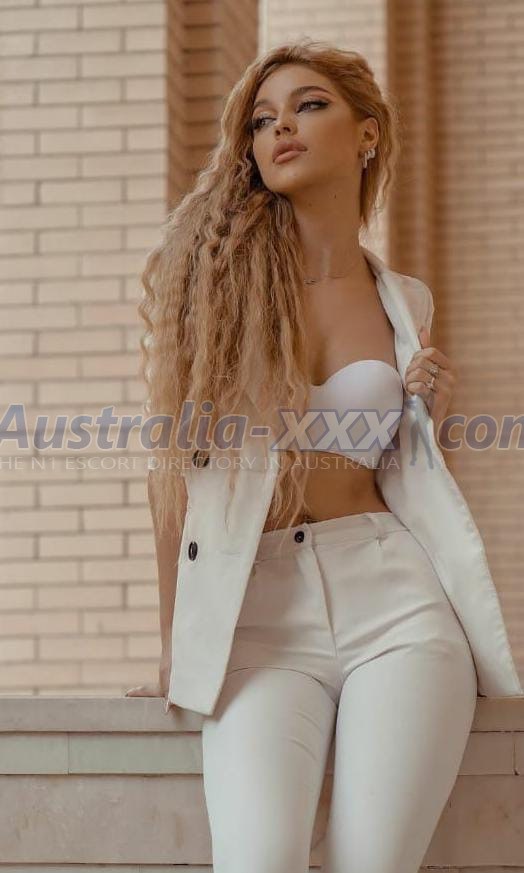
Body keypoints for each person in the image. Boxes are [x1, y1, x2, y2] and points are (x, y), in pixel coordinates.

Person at [126, 38, 522, 873]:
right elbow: (175, 479)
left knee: (373, 863)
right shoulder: (213, 291)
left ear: (366, 133)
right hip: (262, 616)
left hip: (397, 602)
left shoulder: (405, 300)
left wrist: (428, 418)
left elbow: (395, 471)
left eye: (309, 106)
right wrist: (173, 642)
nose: (282, 129)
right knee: (258, 859)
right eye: (262, 120)